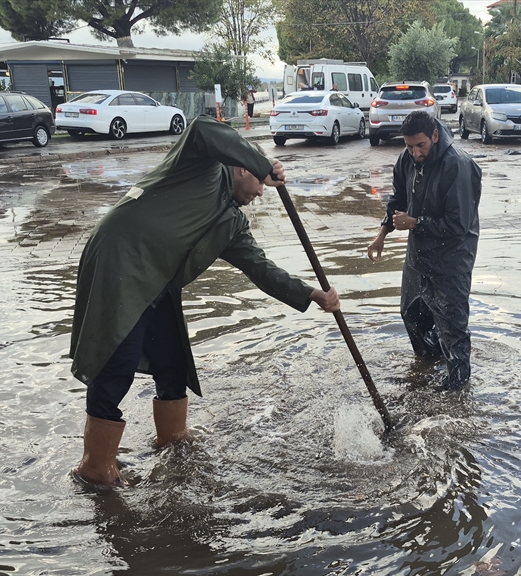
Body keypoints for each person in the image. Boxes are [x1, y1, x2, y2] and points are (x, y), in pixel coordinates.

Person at [70, 116, 340, 486]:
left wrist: (314, 294)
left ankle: (172, 439)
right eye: (259, 182)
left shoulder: (230, 221)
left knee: (172, 360)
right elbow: (201, 128)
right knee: (117, 359)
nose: (262, 192)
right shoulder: (201, 168)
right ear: (242, 168)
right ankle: (95, 466)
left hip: (158, 282)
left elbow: (262, 270)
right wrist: (266, 165)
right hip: (121, 260)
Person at [366, 110, 482, 390]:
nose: (415, 153)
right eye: (409, 146)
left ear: (434, 135)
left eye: (421, 146)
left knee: (453, 330)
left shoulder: (458, 165)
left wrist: (415, 222)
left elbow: (459, 224)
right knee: (412, 315)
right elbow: (398, 200)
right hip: (419, 257)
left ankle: (457, 393)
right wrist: (382, 233)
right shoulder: (406, 159)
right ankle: (426, 369)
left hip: (452, 262)